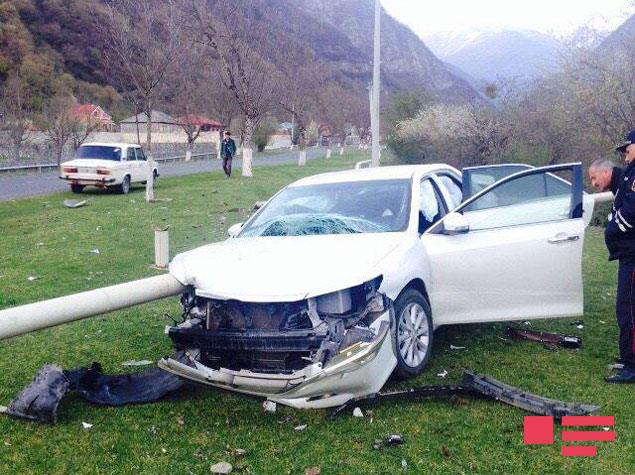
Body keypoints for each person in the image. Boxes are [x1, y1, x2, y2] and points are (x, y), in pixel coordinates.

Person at [602, 130, 635, 383]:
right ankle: (628, 359)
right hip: (628, 251)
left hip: (632, 252)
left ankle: (631, 365)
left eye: (627, 148)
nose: (624, 153)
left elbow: (630, 212)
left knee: (628, 307)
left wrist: (611, 230)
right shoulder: (631, 171)